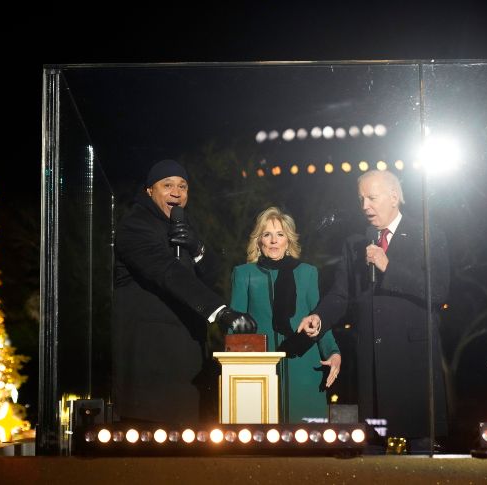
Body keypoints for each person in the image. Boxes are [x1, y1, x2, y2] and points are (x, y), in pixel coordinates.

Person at [297, 169, 450, 453]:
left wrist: (388, 266)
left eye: (372, 197)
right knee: (370, 446)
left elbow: (439, 290)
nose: (364, 206)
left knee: (422, 449)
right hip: (370, 361)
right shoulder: (356, 243)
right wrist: (320, 316)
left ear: (394, 197)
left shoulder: (426, 233)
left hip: (413, 361)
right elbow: (341, 295)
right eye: (361, 199)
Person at [111, 159, 257, 425]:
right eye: (167, 185)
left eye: (182, 186)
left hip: (186, 361)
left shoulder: (184, 226)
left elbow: (211, 275)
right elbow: (168, 272)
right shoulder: (135, 226)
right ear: (149, 191)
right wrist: (220, 312)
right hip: (151, 362)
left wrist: (198, 248)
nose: (176, 192)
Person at [230, 207, 341, 423]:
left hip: (303, 365)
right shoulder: (244, 274)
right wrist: (235, 369)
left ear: (288, 240)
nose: (273, 240)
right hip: (258, 368)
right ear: (259, 241)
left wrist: (333, 352)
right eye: (267, 234)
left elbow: (318, 318)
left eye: (280, 234)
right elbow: (234, 326)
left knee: (307, 438)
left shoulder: (308, 273)